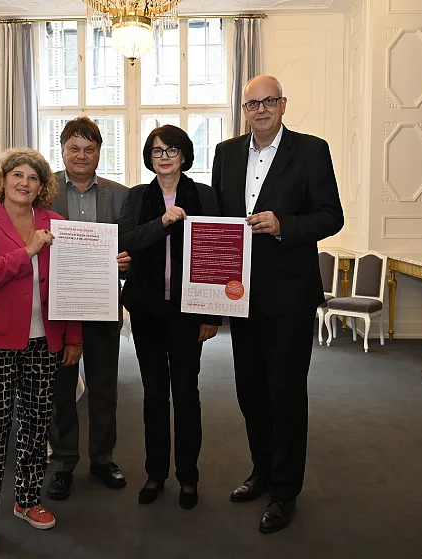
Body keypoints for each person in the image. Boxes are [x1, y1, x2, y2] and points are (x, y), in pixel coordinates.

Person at [210, 76, 343, 533]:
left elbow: (331, 216)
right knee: (250, 392)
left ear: (283, 104)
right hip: (239, 295)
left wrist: (284, 223)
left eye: (269, 101)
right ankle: (261, 471)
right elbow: (219, 222)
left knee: (285, 393)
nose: (261, 109)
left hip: (289, 295)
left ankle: (285, 491)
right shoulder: (225, 154)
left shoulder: (311, 150)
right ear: (243, 109)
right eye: (252, 103)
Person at [0, 147, 83, 558]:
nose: (25, 183)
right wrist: (29, 250)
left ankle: (27, 499)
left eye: (33, 177)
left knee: (36, 428)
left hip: (44, 341)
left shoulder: (58, 223)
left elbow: (72, 286)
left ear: (42, 185)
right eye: (17, 174)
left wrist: (73, 337)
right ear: (4, 179)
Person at [118, 125, 222, 510]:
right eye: (157, 150)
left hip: (188, 313)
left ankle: (188, 476)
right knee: (154, 395)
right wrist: (160, 223)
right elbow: (125, 242)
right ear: (149, 157)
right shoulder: (137, 197)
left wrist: (213, 314)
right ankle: (156, 473)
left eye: (172, 150)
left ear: (184, 156)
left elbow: (216, 254)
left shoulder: (204, 195)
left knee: (186, 393)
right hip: (146, 309)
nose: (164, 156)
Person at [46, 117, 131, 500]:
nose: (81, 156)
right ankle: (64, 462)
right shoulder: (41, 193)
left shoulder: (122, 195)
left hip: (102, 305)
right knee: (60, 390)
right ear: (62, 150)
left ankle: (102, 459)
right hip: (59, 309)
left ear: (100, 152)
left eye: (90, 148)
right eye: (74, 148)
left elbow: (132, 244)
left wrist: (128, 261)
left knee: (103, 387)